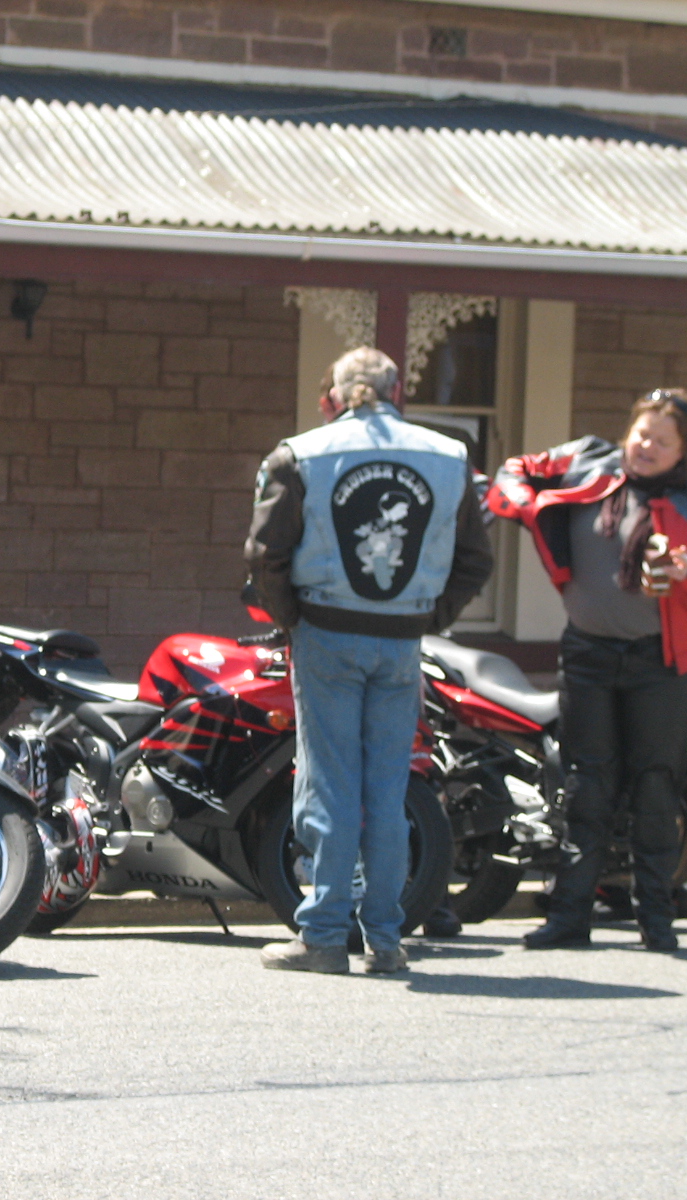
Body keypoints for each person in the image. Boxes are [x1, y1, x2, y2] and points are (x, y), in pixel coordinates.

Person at [246, 348, 494, 975]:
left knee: (329, 782)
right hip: (402, 637)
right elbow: (476, 559)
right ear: (398, 392)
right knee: (388, 786)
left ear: (330, 399)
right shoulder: (451, 456)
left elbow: (265, 554)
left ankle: (324, 936)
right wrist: (429, 616)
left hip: (327, 630)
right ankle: (385, 939)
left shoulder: (299, 455)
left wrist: (291, 618)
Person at [488, 389, 687, 953]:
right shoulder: (587, 461)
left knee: (656, 786)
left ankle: (656, 918)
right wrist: (529, 506)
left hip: (665, 662)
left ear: (683, 451)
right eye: (641, 433)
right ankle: (569, 915)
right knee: (587, 784)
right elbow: (514, 473)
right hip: (589, 653)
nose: (646, 446)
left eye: (662, 441)